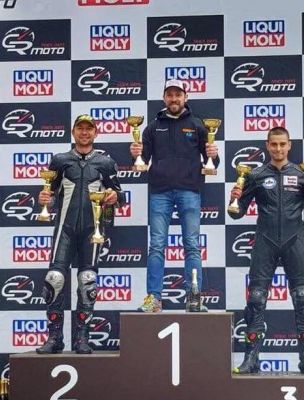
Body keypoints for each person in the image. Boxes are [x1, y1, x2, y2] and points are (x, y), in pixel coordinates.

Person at [228, 126, 304, 375]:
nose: (278, 149)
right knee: (256, 298)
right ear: (267, 145)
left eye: (282, 144)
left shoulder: (303, 173)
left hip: (295, 241)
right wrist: (234, 198)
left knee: (303, 298)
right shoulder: (255, 175)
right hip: (265, 241)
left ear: (289, 145)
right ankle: (251, 358)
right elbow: (237, 213)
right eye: (274, 144)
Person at [36, 114, 125, 354]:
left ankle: (82, 337)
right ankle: (54, 337)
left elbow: (120, 196)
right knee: (55, 278)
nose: (84, 133)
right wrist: (44, 199)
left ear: (96, 133)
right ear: (73, 132)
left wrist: (114, 197)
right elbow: (50, 195)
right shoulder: (59, 160)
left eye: (89, 129)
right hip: (64, 229)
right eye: (80, 128)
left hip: (92, 230)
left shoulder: (106, 163)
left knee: (87, 280)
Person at [130, 79, 219, 313]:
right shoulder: (152, 127)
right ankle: (154, 299)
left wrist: (213, 154)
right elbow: (142, 161)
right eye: (169, 95)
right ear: (164, 98)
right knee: (157, 246)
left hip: (189, 190)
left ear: (185, 98)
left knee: (192, 246)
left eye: (178, 95)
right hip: (160, 192)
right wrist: (135, 154)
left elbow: (212, 163)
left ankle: (194, 297)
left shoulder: (198, 125)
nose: (174, 99)